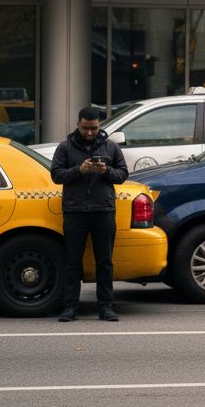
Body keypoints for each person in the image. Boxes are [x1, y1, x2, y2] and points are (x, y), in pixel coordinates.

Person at [50, 106, 129, 322]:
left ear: (98, 126)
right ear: (78, 124)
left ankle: (106, 307)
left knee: (104, 262)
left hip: (103, 210)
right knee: (72, 261)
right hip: (75, 211)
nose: (89, 133)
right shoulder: (65, 147)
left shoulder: (110, 146)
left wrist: (105, 171)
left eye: (93, 128)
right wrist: (79, 170)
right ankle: (70, 307)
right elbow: (56, 175)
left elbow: (122, 174)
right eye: (85, 128)